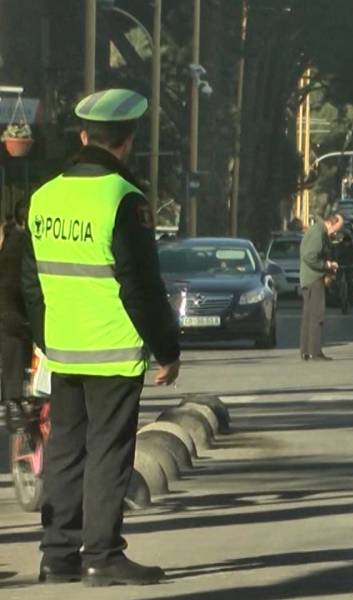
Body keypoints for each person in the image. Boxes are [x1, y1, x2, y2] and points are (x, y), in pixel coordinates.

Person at [22, 88, 181, 586]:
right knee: (109, 451)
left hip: (63, 350)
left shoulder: (43, 197)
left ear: (85, 136)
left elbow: (29, 279)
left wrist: (46, 337)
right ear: (127, 142)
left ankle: (57, 555)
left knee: (66, 450)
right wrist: (167, 349)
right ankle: (103, 555)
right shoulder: (124, 199)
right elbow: (141, 287)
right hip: (112, 351)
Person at [298, 213, 343, 360]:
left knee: (308, 316)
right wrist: (327, 265)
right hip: (314, 278)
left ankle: (306, 350)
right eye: (336, 228)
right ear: (331, 223)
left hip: (308, 278)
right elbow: (309, 256)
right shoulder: (319, 233)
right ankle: (315, 352)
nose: (336, 232)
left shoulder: (317, 230)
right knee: (317, 315)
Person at [0, 201, 31, 407]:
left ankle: (13, 402)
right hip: (16, 316)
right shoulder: (20, 243)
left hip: (10, 316)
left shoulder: (14, 243)